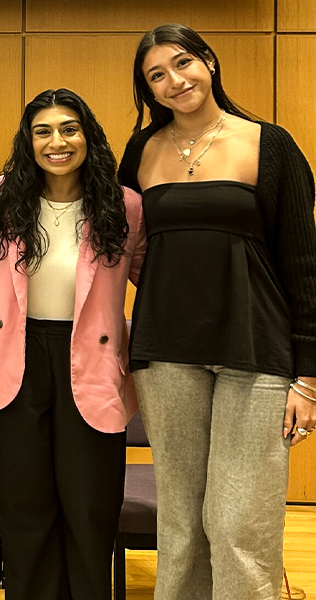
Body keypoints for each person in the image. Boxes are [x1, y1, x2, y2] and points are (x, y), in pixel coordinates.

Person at [119, 23, 316, 600]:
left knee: (238, 526)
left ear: (208, 61)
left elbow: (304, 265)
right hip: (165, 352)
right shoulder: (141, 152)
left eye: (183, 63)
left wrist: (307, 379)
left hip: (256, 351)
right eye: (157, 75)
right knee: (180, 525)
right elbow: (118, 244)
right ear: (148, 90)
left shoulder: (270, 144)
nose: (174, 81)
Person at [0, 88, 145, 600]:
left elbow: (156, 280)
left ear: (88, 137)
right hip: (15, 359)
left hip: (94, 364)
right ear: (28, 140)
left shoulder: (125, 205)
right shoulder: (1, 195)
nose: (56, 141)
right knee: (23, 506)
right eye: (43, 131)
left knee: (89, 508)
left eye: (68, 129)